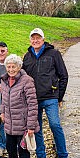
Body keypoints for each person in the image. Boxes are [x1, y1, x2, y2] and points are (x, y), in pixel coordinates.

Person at [22, 28, 68, 158]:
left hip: (50, 97)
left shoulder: (53, 53)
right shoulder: (27, 56)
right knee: (37, 129)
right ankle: (40, 154)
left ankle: (62, 154)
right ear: (30, 40)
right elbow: (23, 77)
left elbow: (63, 76)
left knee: (55, 124)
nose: (35, 40)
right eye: (33, 38)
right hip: (33, 99)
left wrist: (59, 97)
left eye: (38, 38)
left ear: (43, 39)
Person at [0, 54, 40, 158]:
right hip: (9, 124)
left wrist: (31, 126)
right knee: (10, 150)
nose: (11, 69)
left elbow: (33, 104)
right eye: (8, 67)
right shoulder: (4, 80)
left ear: (19, 67)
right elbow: (3, 99)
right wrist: (2, 113)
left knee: (23, 153)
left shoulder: (27, 80)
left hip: (23, 125)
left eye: (14, 66)